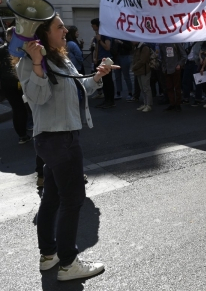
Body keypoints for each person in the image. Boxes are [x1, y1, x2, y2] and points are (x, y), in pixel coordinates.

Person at [16, 14, 112, 281]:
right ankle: (69, 264)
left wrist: (98, 76)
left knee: (53, 198)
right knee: (73, 200)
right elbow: (38, 97)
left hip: (61, 138)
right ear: (43, 33)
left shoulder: (62, 57)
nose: (65, 30)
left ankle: (49, 255)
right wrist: (36, 62)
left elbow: (78, 88)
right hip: (58, 139)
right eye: (59, 27)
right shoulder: (29, 62)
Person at [0, 27, 31, 144]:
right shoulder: (21, 48)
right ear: (8, 37)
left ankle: (22, 134)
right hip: (17, 81)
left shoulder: (3, 49)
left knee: (18, 109)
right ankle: (24, 133)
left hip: (9, 82)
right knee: (22, 108)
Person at [90, 18, 115, 109]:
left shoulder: (106, 34)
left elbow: (107, 47)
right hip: (100, 59)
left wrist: (100, 40)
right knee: (104, 81)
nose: (92, 27)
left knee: (108, 80)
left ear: (97, 25)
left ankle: (110, 101)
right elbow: (97, 47)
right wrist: (95, 58)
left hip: (106, 60)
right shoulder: (98, 34)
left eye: (93, 25)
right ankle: (106, 99)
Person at [159, 43, 186, 111]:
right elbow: (162, 57)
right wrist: (163, 67)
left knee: (177, 87)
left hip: (175, 68)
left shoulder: (175, 43)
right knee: (169, 87)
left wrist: (179, 64)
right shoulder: (162, 44)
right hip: (167, 69)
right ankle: (172, 103)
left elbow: (184, 55)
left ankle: (178, 104)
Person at [131, 41, 153, 112]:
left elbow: (143, 60)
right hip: (139, 70)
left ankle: (149, 104)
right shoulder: (137, 47)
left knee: (146, 88)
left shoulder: (144, 47)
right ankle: (145, 103)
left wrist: (134, 67)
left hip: (144, 71)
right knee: (142, 88)